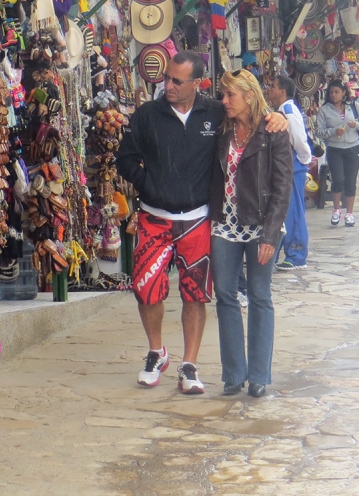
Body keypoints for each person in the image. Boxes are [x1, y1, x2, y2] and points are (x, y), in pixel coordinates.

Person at [118, 52, 286, 395]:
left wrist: (280, 117)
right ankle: (157, 353)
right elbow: (125, 158)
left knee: (199, 293)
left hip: (199, 220)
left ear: (198, 84)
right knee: (147, 288)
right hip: (160, 217)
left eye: (178, 81)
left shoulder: (214, 113)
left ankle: (192, 365)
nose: (169, 86)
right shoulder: (148, 115)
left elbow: (259, 131)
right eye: (167, 78)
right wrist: (148, 183)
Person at [210, 70, 293, 399]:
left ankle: (259, 375)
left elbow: (282, 187)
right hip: (224, 224)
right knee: (225, 296)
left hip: (261, 224)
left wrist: (270, 235)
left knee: (259, 296)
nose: (224, 101)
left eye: (230, 95)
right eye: (223, 95)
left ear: (249, 95)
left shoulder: (273, 131)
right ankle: (233, 374)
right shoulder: (222, 127)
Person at [265, 75, 313, 270]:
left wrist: (303, 160)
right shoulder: (283, 110)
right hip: (290, 167)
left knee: (293, 211)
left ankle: (296, 254)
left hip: (293, 167)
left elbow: (300, 141)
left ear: (282, 91)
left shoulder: (288, 111)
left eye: (272, 86)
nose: (269, 89)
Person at [314, 80, 359, 228]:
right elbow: (319, 132)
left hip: (353, 148)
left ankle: (350, 213)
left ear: (343, 93)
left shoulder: (353, 106)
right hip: (335, 148)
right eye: (331, 92)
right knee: (338, 179)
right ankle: (336, 209)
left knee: (351, 182)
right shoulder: (324, 110)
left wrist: (356, 124)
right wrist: (333, 131)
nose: (334, 95)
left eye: (337, 92)